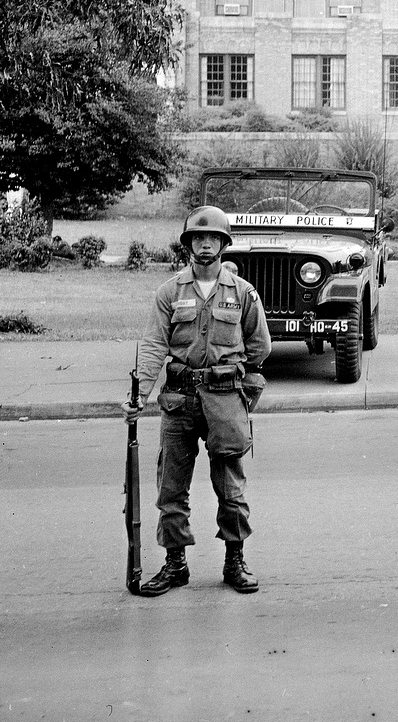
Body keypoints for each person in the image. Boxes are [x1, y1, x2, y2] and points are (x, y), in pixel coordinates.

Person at [124, 206, 271, 596]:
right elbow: (155, 344)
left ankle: (234, 561)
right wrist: (140, 394)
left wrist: (246, 387)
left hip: (225, 399)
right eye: (197, 238)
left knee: (231, 486)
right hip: (179, 399)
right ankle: (175, 565)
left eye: (213, 238)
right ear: (188, 243)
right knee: (171, 487)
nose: (205, 244)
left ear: (224, 244)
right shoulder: (170, 292)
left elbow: (260, 346)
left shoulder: (242, 293)